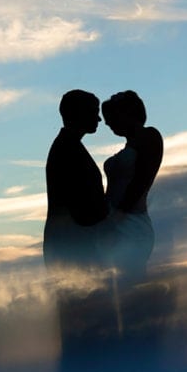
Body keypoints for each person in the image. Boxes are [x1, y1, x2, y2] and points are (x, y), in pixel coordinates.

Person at [99, 90, 162, 282]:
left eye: (111, 118)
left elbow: (141, 182)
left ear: (126, 114)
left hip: (131, 224)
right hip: (115, 222)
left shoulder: (150, 136)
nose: (108, 123)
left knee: (131, 283)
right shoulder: (129, 147)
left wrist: (117, 217)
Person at [44, 89, 109, 271]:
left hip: (71, 243)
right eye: (94, 112)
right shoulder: (67, 149)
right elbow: (83, 208)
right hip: (74, 247)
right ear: (79, 113)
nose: (99, 119)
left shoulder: (68, 146)